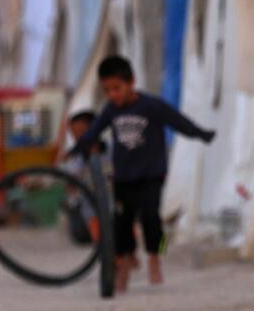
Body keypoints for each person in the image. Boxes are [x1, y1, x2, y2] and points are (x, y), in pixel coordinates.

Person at [71, 55, 215, 292]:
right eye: (107, 90)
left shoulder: (151, 106)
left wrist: (201, 133)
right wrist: (77, 148)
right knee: (122, 223)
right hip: (123, 178)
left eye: (117, 88)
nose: (112, 95)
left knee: (152, 219)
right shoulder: (110, 111)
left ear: (131, 82)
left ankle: (156, 258)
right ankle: (125, 262)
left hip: (152, 176)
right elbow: (92, 133)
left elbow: (179, 122)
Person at [60, 110, 110, 244]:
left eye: (82, 133)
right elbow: (67, 184)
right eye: (75, 135)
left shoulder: (112, 152)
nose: (79, 139)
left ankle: (160, 249)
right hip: (89, 211)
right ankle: (98, 245)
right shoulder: (75, 159)